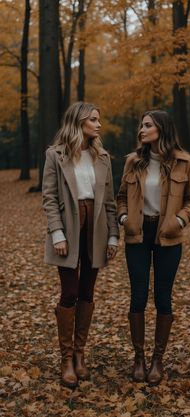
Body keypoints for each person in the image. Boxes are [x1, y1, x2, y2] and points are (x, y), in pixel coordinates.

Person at [117, 109, 190, 385]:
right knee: (138, 295)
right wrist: (124, 219)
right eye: (141, 125)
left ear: (161, 129)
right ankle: (139, 358)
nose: (141, 129)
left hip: (168, 235)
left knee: (163, 297)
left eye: (147, 125)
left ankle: (158, 359)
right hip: (138, 233)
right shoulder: (132, 162)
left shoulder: (185, 162)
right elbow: (120, 198)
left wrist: (178, 220)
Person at [42, 102, 119, 388]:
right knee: (70, 292)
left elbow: (109, 201)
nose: (99, 125)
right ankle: (66, 359)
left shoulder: (103, 157)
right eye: (94, 120)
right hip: (69, 227)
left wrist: (113, 236)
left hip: (96, 227)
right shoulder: (55, 155)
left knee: (87, 290)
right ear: (79, 122)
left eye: (99, 120)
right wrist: (57, 233)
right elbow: (49, 198)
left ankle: (80, 355)